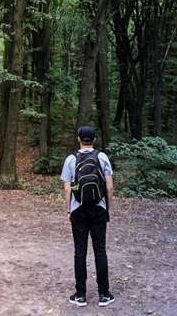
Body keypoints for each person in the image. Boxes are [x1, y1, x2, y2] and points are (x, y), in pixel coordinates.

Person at [61, 126, 115, 307]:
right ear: (94, 139)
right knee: (100, 250)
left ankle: (81, 295)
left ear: (78, 139)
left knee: (80, 251)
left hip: (78, 210)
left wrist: (69, 210)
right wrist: (107, 208)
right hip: (99, 208)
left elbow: (67, 188)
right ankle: (104, 295)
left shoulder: (70, 159)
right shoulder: (102, 157)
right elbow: (109, 187)